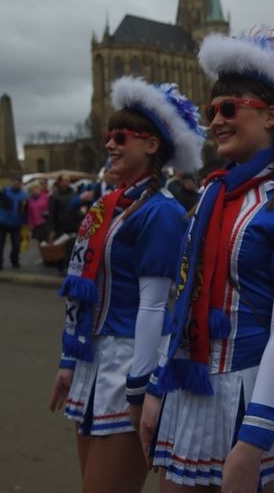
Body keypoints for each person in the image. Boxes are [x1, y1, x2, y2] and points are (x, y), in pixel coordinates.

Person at [138, 25, 274, 492]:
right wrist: (154, 388)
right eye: (211, 111)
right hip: (192, 387)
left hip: (258, 392)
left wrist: (254, 438)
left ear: (270, 116)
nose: (217, 120)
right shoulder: (210, 194)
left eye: (229, 109)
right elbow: (185, 296)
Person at [48, 77, 204, 493]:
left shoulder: (162, 212)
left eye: (120, 137)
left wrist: (140, 387)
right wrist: (69, 361)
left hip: (129, 364)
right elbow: (84, 284)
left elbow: (155, 306)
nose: (110, 145)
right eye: (108, 137)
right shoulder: (107, 205)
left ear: (152, 146)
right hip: (91, 363)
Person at [0, 177, 28, 271]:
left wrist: (25, 223)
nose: (15, 184)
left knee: (16, 245)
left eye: (17, 183)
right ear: (11, 183)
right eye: (14, 182)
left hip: (16, 223)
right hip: (2, 221)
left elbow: (25, 210)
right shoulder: (5, 190)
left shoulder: (24, 195)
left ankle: (14, 260)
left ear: (20, 184)